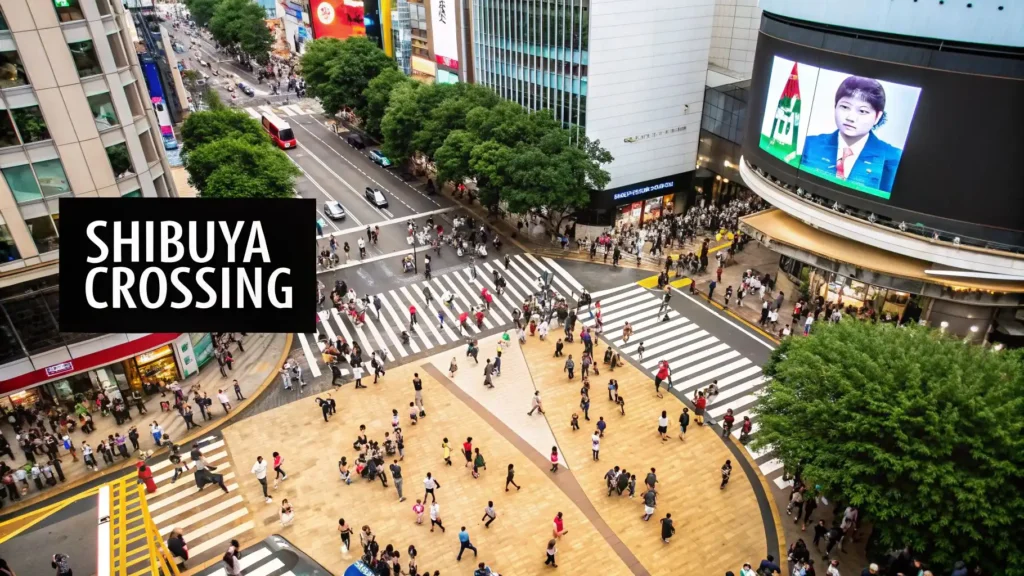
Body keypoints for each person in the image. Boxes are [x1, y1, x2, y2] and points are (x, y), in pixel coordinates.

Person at [799, 76, 903, 195]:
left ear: (877, 116)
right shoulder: (810, 144)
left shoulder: (894, 157)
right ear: (835, 106)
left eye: (863, 111)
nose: (850, 118)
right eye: (844, 107)